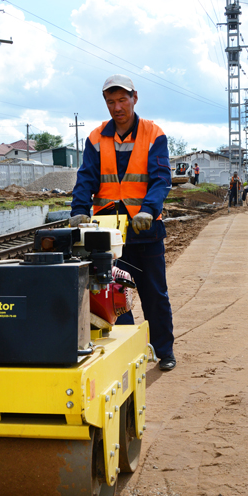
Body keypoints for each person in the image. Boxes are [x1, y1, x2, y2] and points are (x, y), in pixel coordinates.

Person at [69, 74, 176, 371]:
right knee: (114, 294)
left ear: (134, 98)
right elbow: (85, 178)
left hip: (145, 228)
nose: (117, 107)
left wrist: (148, 209)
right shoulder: (95, 137)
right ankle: (128, 353)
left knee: (154, 293)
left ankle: (163, 351)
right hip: (109, 233)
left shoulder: (153, 134)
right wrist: (79, 210)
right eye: (110, 102)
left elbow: (160, 178)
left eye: (122, 100)